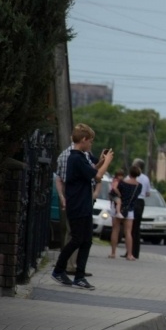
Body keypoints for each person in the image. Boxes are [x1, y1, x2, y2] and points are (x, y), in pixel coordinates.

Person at [51, 123, 114, 290]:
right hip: (77, 205)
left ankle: (79, 276)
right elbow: (99, 176)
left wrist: (100, 161)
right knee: (78, 239)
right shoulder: (75, 158)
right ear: (84, 140)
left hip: (84, 204)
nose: (91, 144)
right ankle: (59, 270)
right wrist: (107, 162)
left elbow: (92, 171)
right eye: (91, 141)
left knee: (86, 241)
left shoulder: (81, 158)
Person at [110, 166, 142, 260]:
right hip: (130, 209)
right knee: (128, 232)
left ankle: (113, 253)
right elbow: (136, 197)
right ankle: (129, 254)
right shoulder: (139, 186)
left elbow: (115, 192)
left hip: (118, 208)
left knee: (115, 229)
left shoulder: (122, 183)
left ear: (129, 173)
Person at [130, 158, 151, 260]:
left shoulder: (133, 177)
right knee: (136, 228)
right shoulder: (146, 179)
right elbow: (148, 193)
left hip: (134, 201)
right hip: (141, 202)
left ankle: (129, 251)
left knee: (130, 227)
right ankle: (135, 252)